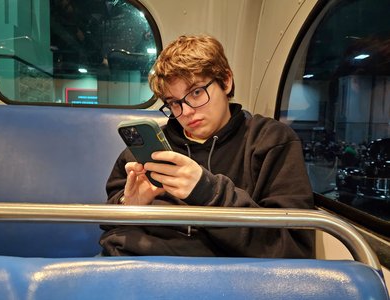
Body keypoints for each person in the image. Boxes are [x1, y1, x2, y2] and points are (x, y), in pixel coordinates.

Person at [99, 34, 315, 258]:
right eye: (174, 103)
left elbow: (292, 248)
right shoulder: (145, 151)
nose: (187, 111)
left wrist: (209, 193)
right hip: (144, 270)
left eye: (196, 92)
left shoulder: (270, 141)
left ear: (226, 81)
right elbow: (110, 228)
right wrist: (129, 206)